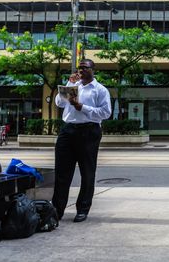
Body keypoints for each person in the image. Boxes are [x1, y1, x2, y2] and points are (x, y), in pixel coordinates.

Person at [52, 59, 111, 223]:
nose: (81, 71)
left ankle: (83, 209)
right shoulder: (73, 86)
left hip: (89, 131)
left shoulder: (100, 90)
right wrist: (68, 83)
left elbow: (105, 113)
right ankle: (57, 210)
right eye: (80, 68)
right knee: (62, 173)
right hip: (68, 130)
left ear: (93, 70)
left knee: (87, 172)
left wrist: (82, 108)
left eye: (85, 68)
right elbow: (59, 103)